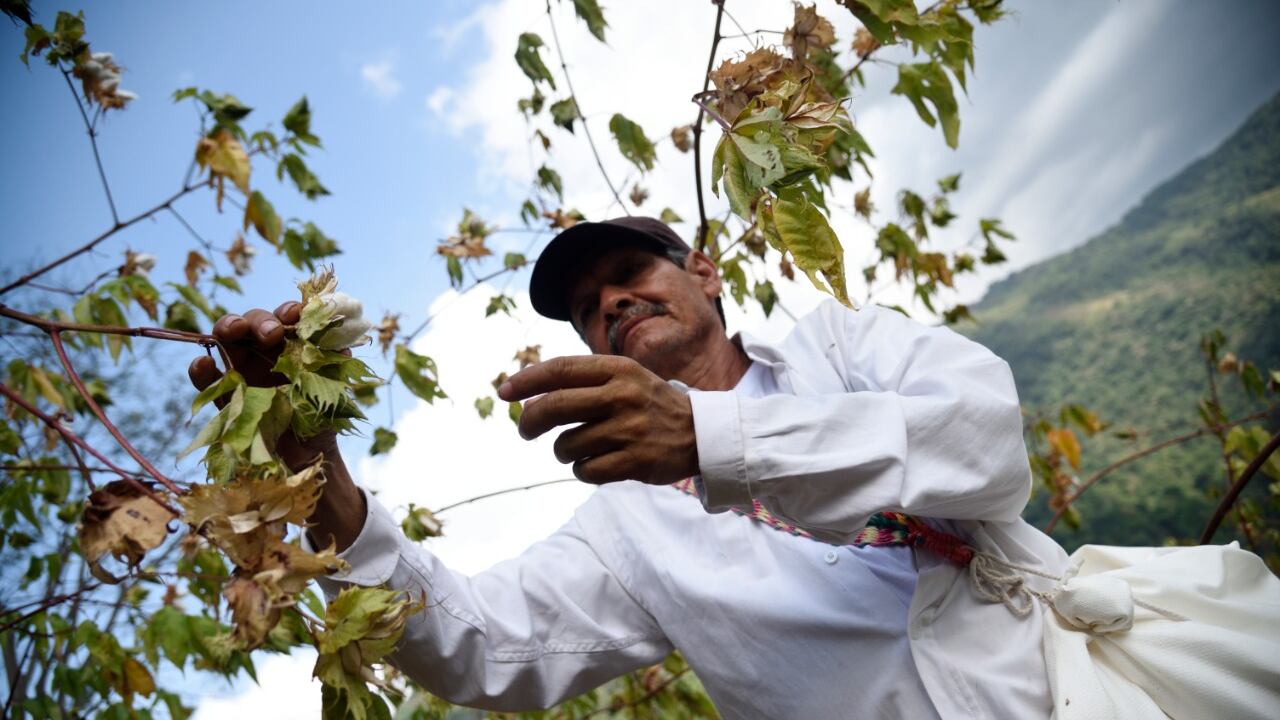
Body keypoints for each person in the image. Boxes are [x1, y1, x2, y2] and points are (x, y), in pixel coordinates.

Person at [189, 216, 1068, 718]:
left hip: (1086, 689)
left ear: (706, 274)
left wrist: (711, 439)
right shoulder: (626, 528)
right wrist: (316, 473)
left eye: (628, 270)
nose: (609, 301)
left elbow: (985, 442)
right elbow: (480, 648)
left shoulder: (841, 346)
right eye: (585, 308)